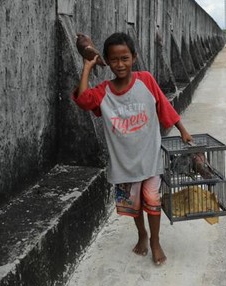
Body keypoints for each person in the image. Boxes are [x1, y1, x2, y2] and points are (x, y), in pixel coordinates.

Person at [72, 32, 192, 266]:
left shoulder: (145, 80)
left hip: (150, 157)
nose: (120, 64)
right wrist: (87, 66)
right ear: (107, 61)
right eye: (114, 59)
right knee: (134, 206)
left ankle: (155, 241)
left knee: (153, 201)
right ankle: (142, 234)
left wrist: (182, 130)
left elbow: (163, 105)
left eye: (125, 58)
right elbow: (84, 99)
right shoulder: (104, 91)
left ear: (134, 58)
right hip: (124, 162)